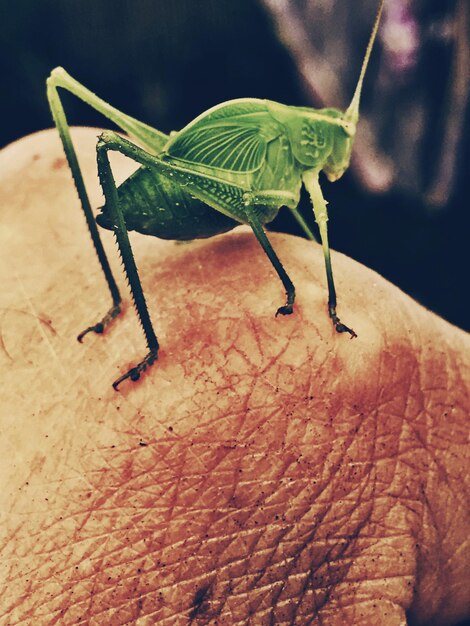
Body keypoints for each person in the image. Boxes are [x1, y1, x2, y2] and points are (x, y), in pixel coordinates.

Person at [1, 128, 468, 626]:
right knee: (113, 146)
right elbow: (274, 211)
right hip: (191, 188)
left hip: (193, 179)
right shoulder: (289, 141)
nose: (344, 149)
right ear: (318, 137)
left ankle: (125, 302)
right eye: (339, 135)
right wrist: (312, 298)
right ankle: (143, 333)